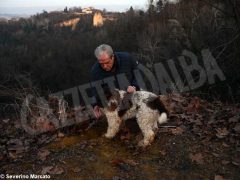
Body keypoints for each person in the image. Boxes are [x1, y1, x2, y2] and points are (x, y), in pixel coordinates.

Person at [91, 44, 139, 119]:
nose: (105, 66)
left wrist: (134, 86)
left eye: (107, 62)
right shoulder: (95, 71)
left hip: (134, 95)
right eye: (101, 64)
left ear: (112, 56)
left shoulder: (127, 58)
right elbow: (94, 90)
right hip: (115, 105)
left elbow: (138, 74)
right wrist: (95, 104)